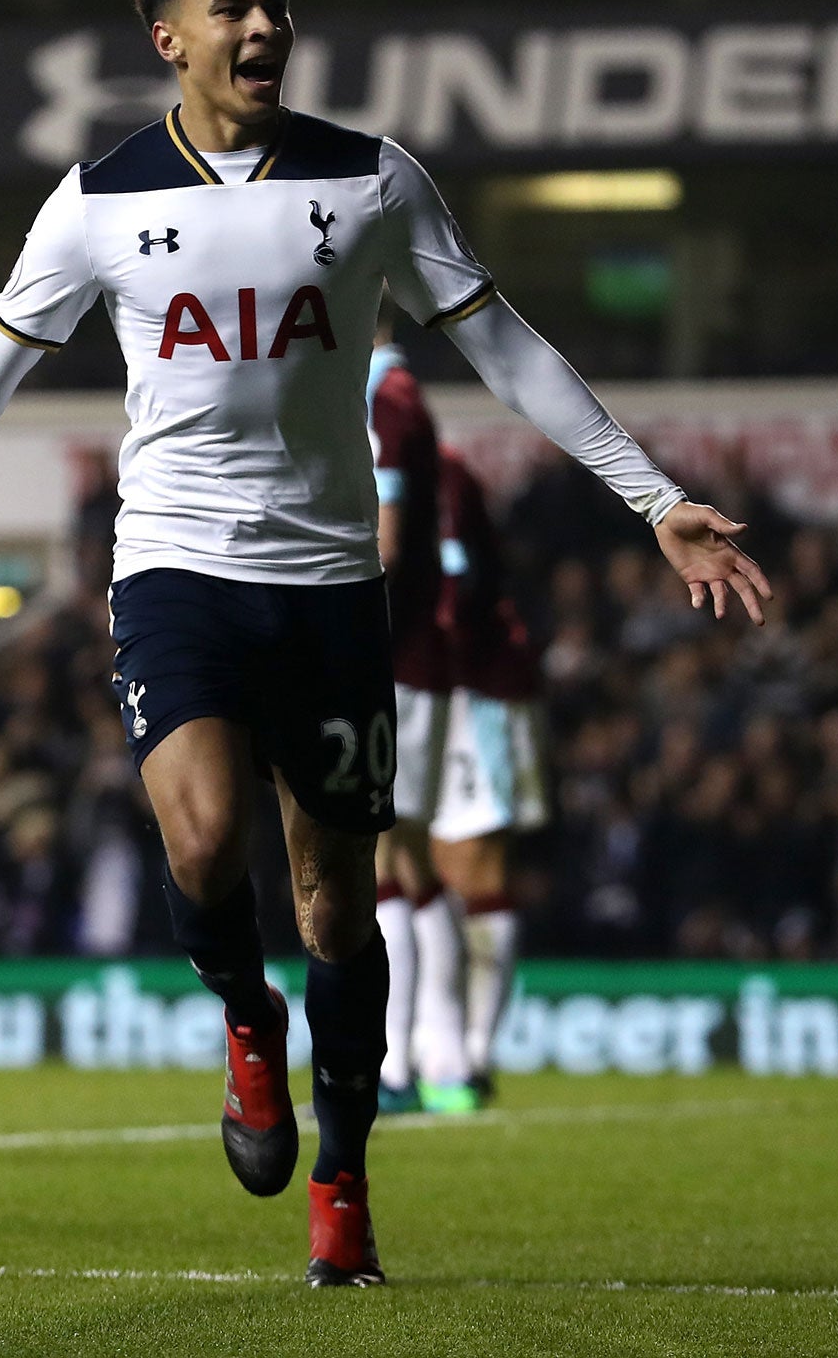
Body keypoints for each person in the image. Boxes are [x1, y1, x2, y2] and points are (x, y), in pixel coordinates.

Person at [0, 0, 768, 1286]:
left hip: (331, 585)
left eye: (275, 6)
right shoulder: (98, 202)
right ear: (168, 39)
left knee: (340, 906)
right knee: (202, 837)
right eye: (232, 10)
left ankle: (342, 1179)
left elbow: (504, 346)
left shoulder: (371, 182)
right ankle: (245, 1023)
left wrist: (651, 496)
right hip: (172, 569)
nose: (262, 30)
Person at [366, 326, 477, 1115]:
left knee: (381, 858)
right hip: (422, 656)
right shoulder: (410, 396)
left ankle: (399, 1066)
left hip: (394, 656)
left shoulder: (381, 396)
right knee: (409, 861)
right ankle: (448, 1059)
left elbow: (387, 541)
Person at [430, 446, 550, 1098]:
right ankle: (439, 1051)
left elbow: (457, 578)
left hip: (476, 690)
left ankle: (469, 1058)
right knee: (410, 869)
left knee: (469, 866)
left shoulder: (428, 464)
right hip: (417, 686)